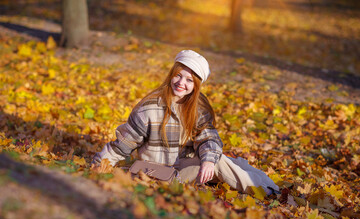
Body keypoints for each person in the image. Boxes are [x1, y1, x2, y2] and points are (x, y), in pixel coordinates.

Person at [92, 50, 279, 194]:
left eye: (189, 80)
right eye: (178, 75)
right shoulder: (148, 108)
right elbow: (122, 145)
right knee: (218, 161)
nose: (182, 83)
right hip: (159, 174)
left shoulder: (197, 107)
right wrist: (99, 164)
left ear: (196, 86)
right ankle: (265, 192)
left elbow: (208, 139)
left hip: (186, 166)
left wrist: (207, 161)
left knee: (235, 163)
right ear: (171, 75)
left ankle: (274, 187)